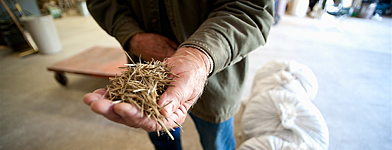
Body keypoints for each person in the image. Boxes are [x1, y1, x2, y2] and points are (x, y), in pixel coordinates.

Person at [83, 0, 274, 150]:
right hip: (146, 63)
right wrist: (131, 35)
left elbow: (250, 8)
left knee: (217, 144)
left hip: (216, 74)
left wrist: (197, 56)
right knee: (161, 138)